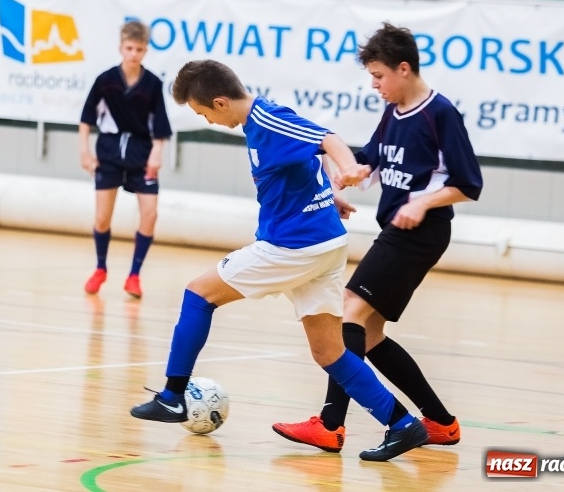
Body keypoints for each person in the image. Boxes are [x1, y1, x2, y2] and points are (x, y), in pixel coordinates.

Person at [129, 59, 432, 462]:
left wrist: (348, 169)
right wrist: (330, 192)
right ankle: (403, 425)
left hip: (292, 246)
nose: (208, 121)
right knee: (330, 352)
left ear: (220, 102)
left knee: (198, 294)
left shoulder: (268, 119)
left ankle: (172, 396)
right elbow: (307, 154)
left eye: (203, 113)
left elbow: (327, 139)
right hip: (320, 245)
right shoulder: (262, 119)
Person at [272, 22, 483, 453]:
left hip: (419, 233)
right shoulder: (394, 111)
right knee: (367, 335)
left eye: (379, 76)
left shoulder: (440, 113)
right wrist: (345, 175)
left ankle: (331, 425)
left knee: (347, 310)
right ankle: (441, 422)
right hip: (399, 231)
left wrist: (423, 202)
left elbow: (470, 182)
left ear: (404, 69)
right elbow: (373, 157)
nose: (375, 85)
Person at [79, 20, 172, 298]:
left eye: (140, 49)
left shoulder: (153, 84)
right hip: (108, 153)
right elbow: (86, 118)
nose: (134, 54)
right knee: (102, 217)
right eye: (129, 48)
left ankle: (134, 275)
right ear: (121, 48)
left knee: (150, 213)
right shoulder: (105, 80)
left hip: (141, 154)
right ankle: (100, 268)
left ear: (146, 50)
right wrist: (85, 151)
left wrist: (157, 153)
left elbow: (161, 126)